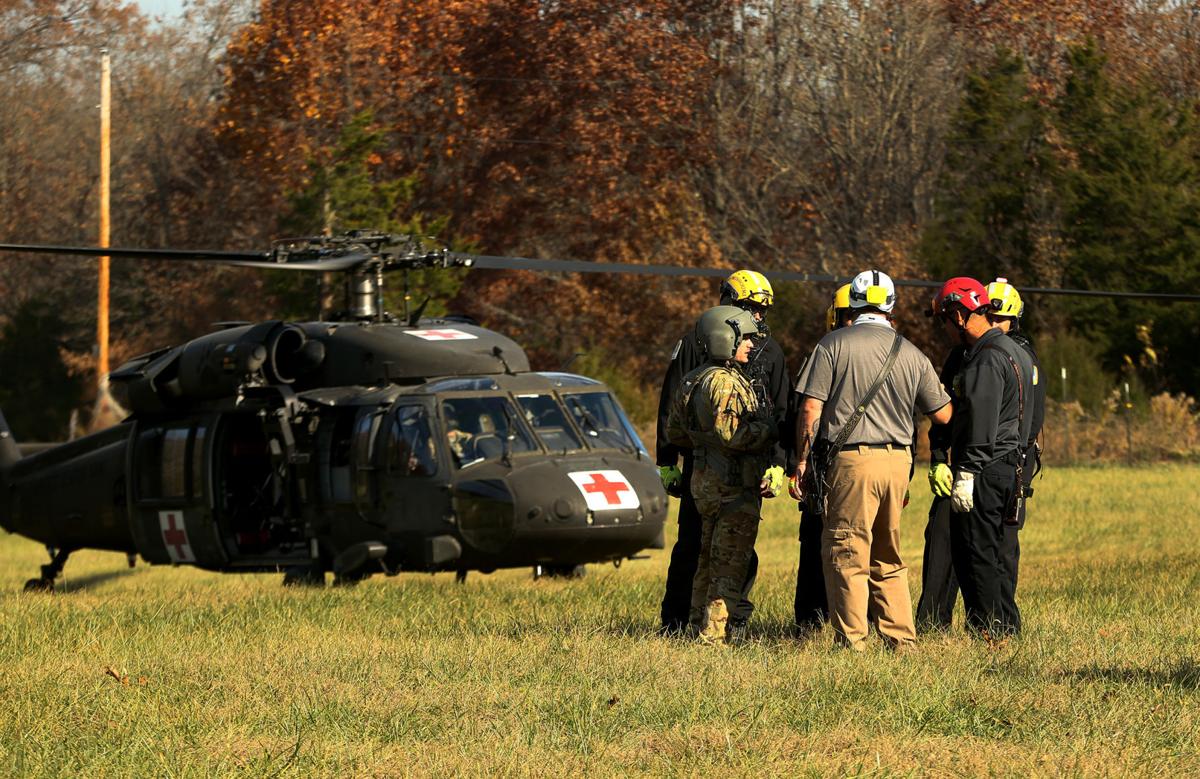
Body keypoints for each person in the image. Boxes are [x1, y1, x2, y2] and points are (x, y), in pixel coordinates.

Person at [792, 270, 952, 651]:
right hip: (898, 464)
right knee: (887, 554)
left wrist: (802, 461)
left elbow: (811, 407)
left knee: (847, 551)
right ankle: (902, 640)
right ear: (891, 305)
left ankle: (852, 643)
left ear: (854, 302)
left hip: (853, 462)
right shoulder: (911, 352)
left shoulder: (832, 345)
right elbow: (944, 414)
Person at [655, 270, 789, 635]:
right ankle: (678, 622)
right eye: (749, 308)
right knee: (694, 547)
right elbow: (672, 404)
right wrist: (667, 461)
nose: (756, 317)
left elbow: (782, 409)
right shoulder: (696, 342)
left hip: (748, 469)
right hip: (705, 466)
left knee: (737, 550)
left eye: (762, 311)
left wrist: (779, 462)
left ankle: (733, 622)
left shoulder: (769, 351)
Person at [931, 276, 1035, 637]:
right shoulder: (1016, 351)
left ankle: (990, 632)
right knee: (994, 553)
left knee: (975, 554)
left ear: (960, 316)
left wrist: (967, 471)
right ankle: (1007, 627)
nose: (945, 329)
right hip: (1011, 466)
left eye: (945, 320)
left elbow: (981, 420)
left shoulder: (985, 359)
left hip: (987, 470)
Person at [789, 282, 853, 634]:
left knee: (822, 541)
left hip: (831, 462)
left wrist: (800, 461)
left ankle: (817, 620)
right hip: (852, 464)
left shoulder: (825, 351)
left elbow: (804, 410)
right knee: (845, 543)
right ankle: (822, 621)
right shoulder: (886, 349)